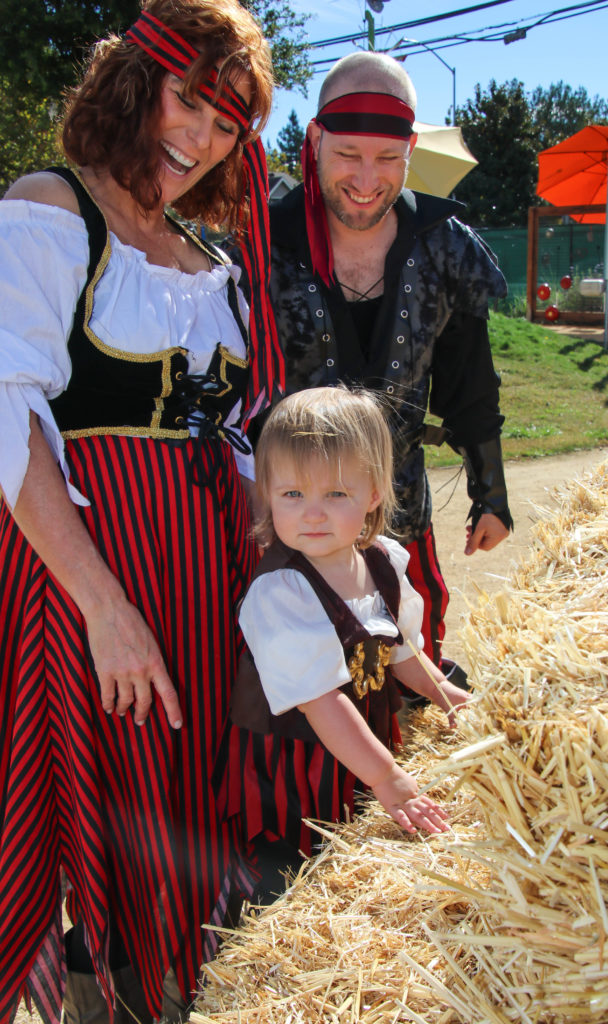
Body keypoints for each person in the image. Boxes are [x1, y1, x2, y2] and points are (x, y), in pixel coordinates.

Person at [0, 1, 283, 1022]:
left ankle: (169, 996)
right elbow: (8, 413)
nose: (200, 137)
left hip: (206, 585)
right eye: (188, 100)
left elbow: (238, 434)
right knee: (98, 815)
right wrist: (103, 606)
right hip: (92, 578)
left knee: (186, 816)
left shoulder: (210, 265)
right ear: (132, 81)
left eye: (227, 126)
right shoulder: (52, 209)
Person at [265, 50, 513, 673]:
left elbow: (469, 382)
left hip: (401, 509)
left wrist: (491, 493)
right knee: (302, 693)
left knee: (412, 679)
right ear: (315, 139)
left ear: (409, 152)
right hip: (293, 525)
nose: (367, 179)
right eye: (348, 154)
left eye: (387, 158)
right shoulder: (263, 242)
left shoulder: (445, 246)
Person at [219, 387, 470, 897]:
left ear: (373, 493)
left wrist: (450, 697)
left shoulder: (383, 561)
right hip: (296, 764)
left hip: (365, 743)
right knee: (300, 874)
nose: (312, 514)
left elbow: (403, 654)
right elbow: (320, 700)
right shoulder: (281, 590)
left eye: (335, 494)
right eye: (292, 494)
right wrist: (388, 779)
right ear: (266, 492)